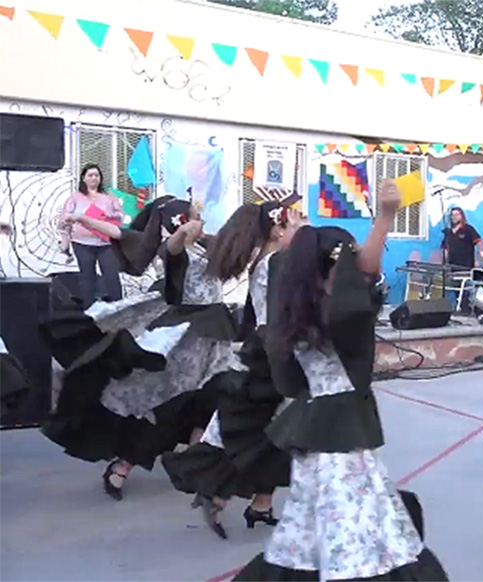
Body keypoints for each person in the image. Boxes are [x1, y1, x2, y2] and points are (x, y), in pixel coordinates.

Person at [233, 181, 448, 581]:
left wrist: (299, 242)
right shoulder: (342, 315)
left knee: (307, 535)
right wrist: (385, 215)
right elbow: (366, 274)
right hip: (341, 438)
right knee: (351, 539)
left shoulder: (294, 313)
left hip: (313, 428)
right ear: (333, 271)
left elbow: (288, 383)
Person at [42, 196, 239, 501]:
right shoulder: (174, 249)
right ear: (181, 222)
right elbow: (134, 236)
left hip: (212, 337)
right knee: (164, 406)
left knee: (209, 400)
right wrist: (83, 220)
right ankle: (124, 464)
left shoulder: (209, 246)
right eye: (193, 216)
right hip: (183, 338)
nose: (201, 220)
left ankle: (200, 469)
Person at [161, 201, 303, 539]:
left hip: (271, 352)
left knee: (276, 430)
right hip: (273, 356)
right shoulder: (275, 262)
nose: (297, 230)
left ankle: (261, 503)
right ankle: (217, 492)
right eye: (293, 224)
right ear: (278, 229)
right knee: (260, 430)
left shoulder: (268, 260)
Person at [60, 164, 125, 308]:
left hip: (106, 243)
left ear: (100, 178)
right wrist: (74, 219)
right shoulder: (76, 197)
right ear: (84, 178)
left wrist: (109, 216)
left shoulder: (109, 197)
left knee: (111, 276)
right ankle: (88, 311)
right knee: (87, 277)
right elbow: (65, 217)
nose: (94, 178)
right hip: (82, 243)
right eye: (90, 175)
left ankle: (119, 309)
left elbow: (121, 216)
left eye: (96, 175)